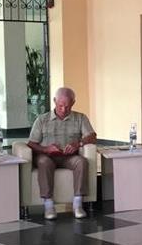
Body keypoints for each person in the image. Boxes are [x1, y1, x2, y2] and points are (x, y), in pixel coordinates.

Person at [27, 87, 96, 220]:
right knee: (43, 162)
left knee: (81, 162)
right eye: (60, 106)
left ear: (73, 103)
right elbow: (31, 144)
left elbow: (92, 136)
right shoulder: (42, 119)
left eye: (67, 106)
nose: (64, 110)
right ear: (54, 101)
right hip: (47, 156)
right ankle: (48, 206)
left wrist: (78, 143)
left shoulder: (80, 118)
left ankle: (77, 204)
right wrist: (46, 149)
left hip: (69, 157)